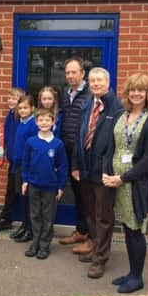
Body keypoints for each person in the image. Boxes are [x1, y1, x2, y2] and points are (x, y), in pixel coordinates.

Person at [102, 73, 148, 293]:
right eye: (132, 90)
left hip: (134, 184)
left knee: (135, 229)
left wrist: (122, 178)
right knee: (127, 228)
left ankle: (137, 277)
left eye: (141, 90)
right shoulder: (121, 115)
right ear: (127, 94)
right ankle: (131, 272)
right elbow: (112, 148)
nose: (136, 94)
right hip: (116, 182)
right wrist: (106, 172)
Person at [71, 67, 123, 279]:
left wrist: (108, 169)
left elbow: (116, 142)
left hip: (103, 172)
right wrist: (75, 165)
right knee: (90, 214)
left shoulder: (116, 106)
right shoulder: (87, 104)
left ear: (108, 82)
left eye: (99, 80)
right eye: (92, 80)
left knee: (103, 217)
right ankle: (94, 248)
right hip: (85, 169)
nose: (95, 84)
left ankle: (100, 260)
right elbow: (79, 135)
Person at [22, 109, 68, 260]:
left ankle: (44, 245)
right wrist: (25, 180)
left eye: (47, 120)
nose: (44, 123)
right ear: (36, 122)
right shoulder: (31, 142)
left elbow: (62, 167)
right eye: (41, 120)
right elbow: (25, 163)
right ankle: (35, 243)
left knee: (48, 217)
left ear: (53, 122)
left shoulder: (58, 144)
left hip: (50, 187)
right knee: (35, 215)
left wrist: (61, 186)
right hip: (34, 185)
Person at [58, 57, 91, 248]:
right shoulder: (66, 93)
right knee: (78, 194)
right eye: (67, 72)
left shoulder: (90, 94)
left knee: (87, 195)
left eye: (74, 72)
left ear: (82, 74)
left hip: (83, 153)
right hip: (68, 150)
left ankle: (91, 237)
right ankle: (81, 231)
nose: (70, 75)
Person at [0, 87, 26, 231]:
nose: (10, 100)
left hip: (20, 162)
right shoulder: (10, 115)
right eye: (9, 98)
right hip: (12, 160)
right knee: (10, 190)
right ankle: (6, 218)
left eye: (14, 98)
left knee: (21, 192)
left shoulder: (20, 118)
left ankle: (24, 223)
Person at [9, 95, 39, 243]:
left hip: (28, 166)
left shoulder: (33, 124)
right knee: (23, 198)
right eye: (20, 108)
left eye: (25, 108)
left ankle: (31, 230)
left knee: (29, 199)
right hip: (19, 164)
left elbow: (33, 147)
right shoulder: (20, 123)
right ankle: (24, 226)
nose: (22, 110)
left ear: (32, 108)